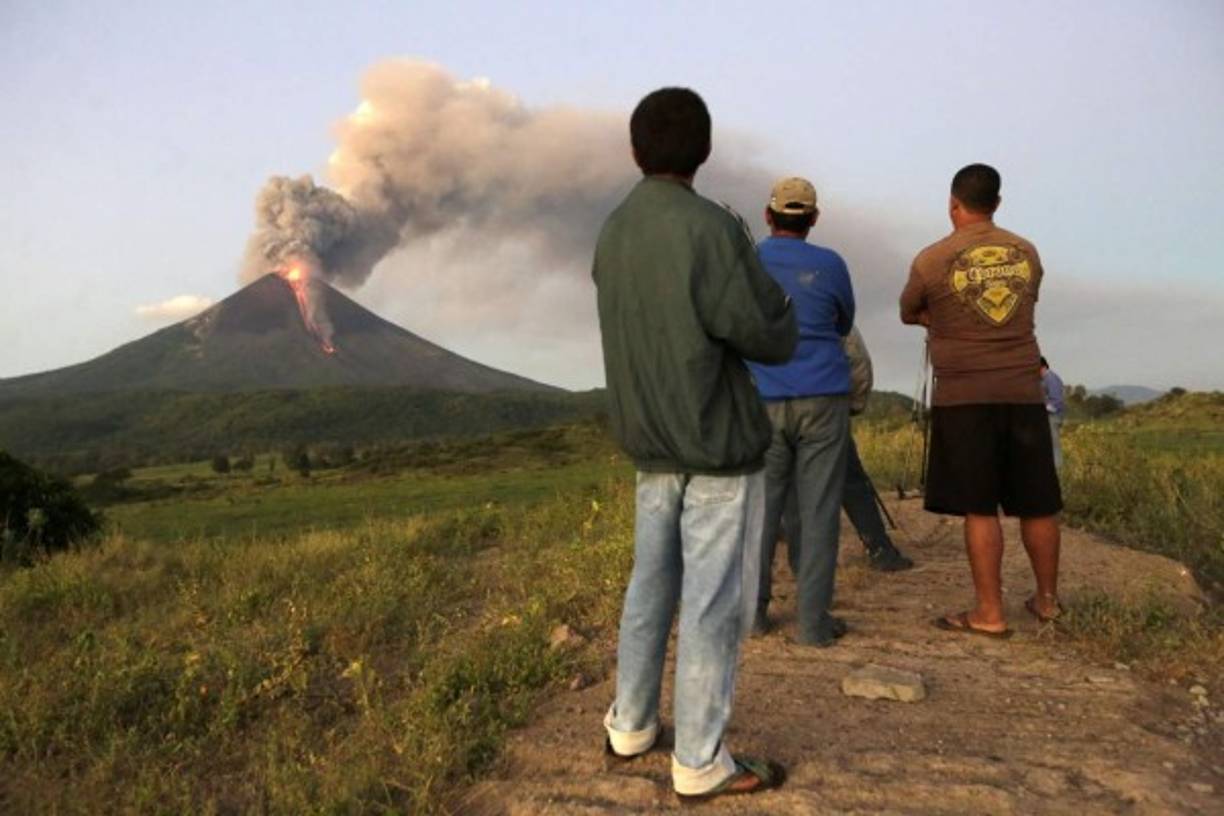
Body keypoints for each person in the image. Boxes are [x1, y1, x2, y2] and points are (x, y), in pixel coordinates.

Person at [593, 87, 794, 800]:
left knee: (649, 584)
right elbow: (768, 335)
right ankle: (701, 763)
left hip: (649, 443)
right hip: (715, 443)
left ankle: (631, 725)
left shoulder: (613, 230)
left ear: (635, 149)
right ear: (703, 150)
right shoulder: (712, 228)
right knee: (710, 603)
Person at [899, 163, 1063, 637]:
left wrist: (941, 320)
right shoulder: (1026, 252)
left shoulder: (933, 259)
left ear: (953, 204)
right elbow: (1024, 304)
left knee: (979, 507)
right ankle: (1047, 602)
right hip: (1022, 392)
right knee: (1037, 504)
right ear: (997, 203)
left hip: (964, 397)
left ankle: (989, 613)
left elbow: (908, 309)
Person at [747, 176, 855, 646]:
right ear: (813, 219)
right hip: (823, 398)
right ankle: (813, 625)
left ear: (768, 216)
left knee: (761, 512)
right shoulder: (831, 264)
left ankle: (752, 616)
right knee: (819, 511)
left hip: (762, 401)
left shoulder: (748, 262)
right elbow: (843, 321)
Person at [841, 327, 915, 571]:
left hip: (772, 405)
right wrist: (854, 404)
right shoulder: (829, 298)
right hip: (825, 408)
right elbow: (858, 359)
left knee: (777, 486)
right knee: (851, 483)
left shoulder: (760, 299)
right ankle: (879, 550)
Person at [1040, 356, 1066, 469]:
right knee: (1050, 444)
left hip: (1053, 417)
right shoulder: (1046, 379)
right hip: (1050, 416)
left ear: (1043, 366)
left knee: (1054, 444)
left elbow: (1056, 401)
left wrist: (1041, 408)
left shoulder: (1050, 378)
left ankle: (1057, 468)